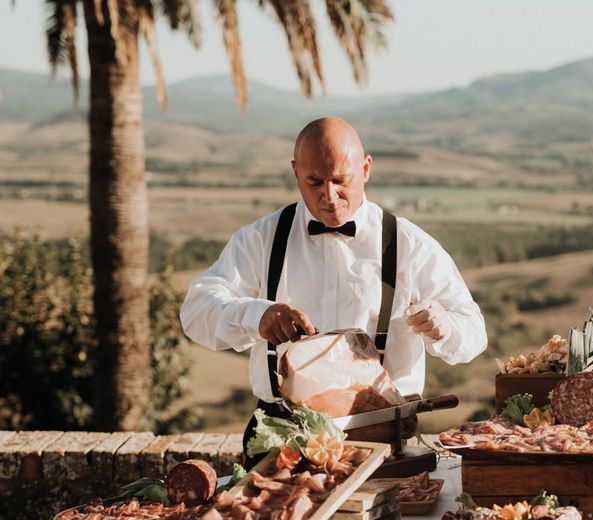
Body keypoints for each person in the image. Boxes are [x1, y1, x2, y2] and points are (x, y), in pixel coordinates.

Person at [180, 117, 487, 461]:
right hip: (282, 436)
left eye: (341, 180)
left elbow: (474, 334)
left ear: (366, 168)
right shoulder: (261, 239)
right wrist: (257, 314)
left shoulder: (411, 245)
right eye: (314, 182)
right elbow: (196, 310)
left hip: (384, 435)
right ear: (295, 172)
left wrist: (444, 325)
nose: (329, 196)